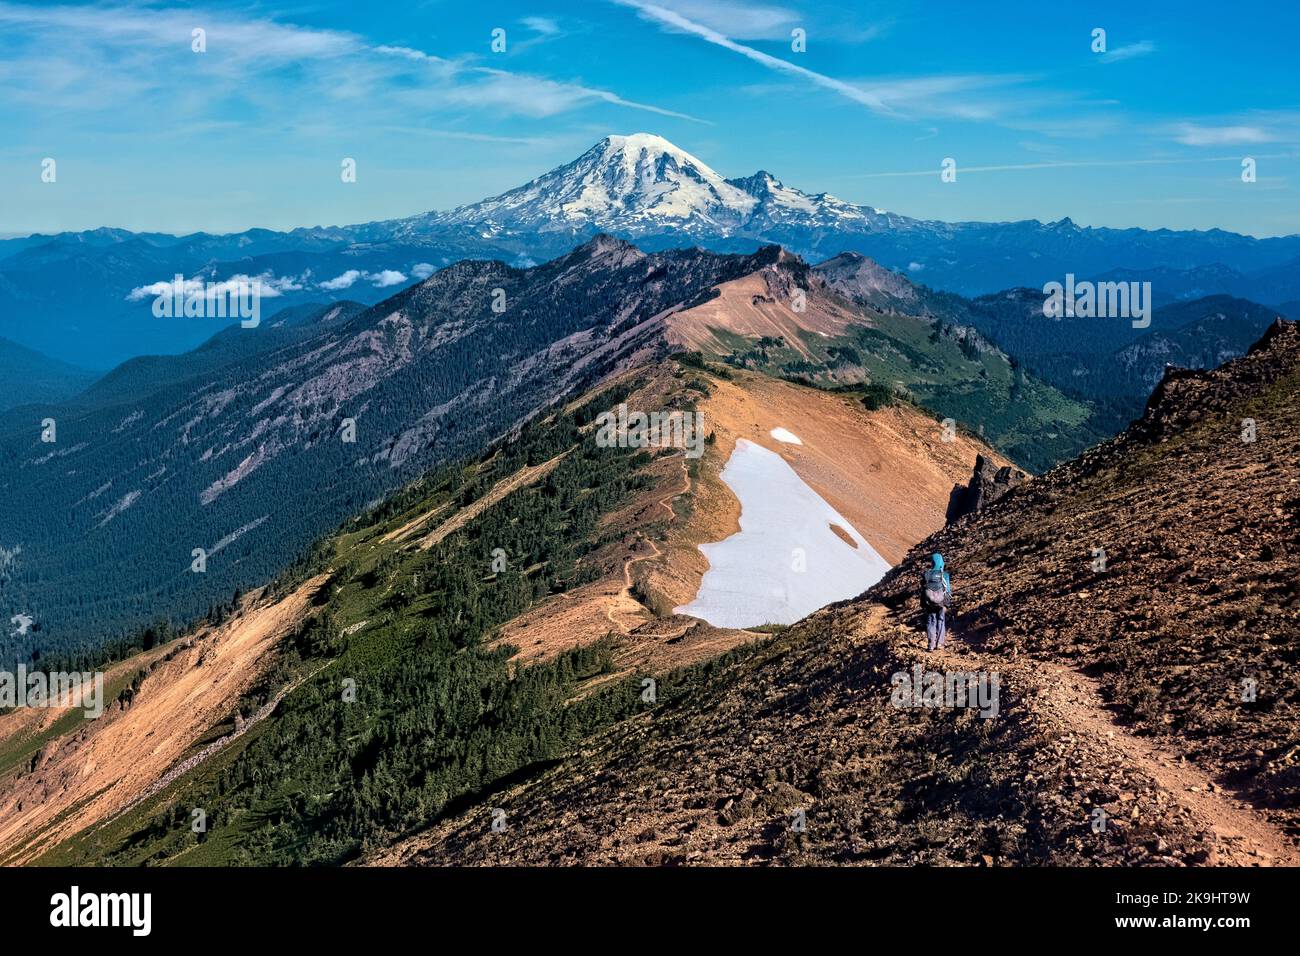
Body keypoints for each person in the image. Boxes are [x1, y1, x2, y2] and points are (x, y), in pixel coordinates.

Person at [921, 552, 952, 651]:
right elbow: (948, 590)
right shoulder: (945, 575)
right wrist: (947, 603)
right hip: (941, 602)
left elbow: (923, 589)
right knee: (941, 620)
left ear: (932, 562)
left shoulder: (926, 574)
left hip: (929, 602)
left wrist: (923, 603)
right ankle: (939, 644)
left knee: (931, 621)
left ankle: (930, 645)